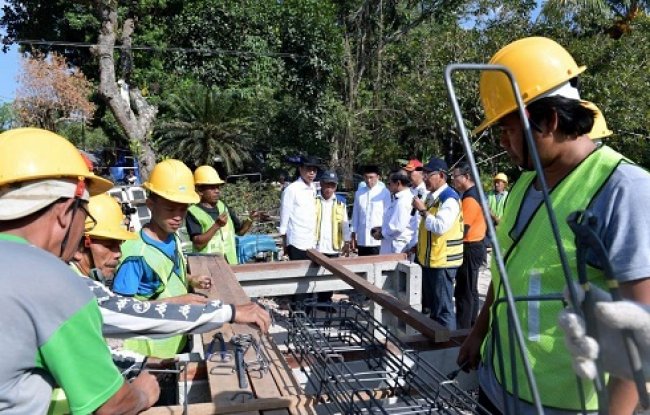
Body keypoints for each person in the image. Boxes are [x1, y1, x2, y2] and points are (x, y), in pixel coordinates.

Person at [456, 36, 650, 414]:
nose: (505, 144)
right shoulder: (527, 182)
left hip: (563, 402)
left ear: (549, 120)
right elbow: (509, 270)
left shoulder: (625, 191)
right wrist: (478, 333)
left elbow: (640, 328)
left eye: (509, 130)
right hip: (499, 380)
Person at [0, 127, 159, 414]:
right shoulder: (48, 278)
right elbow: (110, 406)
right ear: (64, 212)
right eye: (84, 213)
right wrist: (142, 394)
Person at [112, 159, 214, 358]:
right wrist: (179, 301)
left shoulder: (173, 237)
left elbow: (168, 276)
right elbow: (122, 311)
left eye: (183, 209)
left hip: (177, 341)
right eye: (170, 209)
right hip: (152, 356)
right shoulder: (136, 255)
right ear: (150, 205)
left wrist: (191, 280)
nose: (178, 217)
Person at [412, 157, 464, 329]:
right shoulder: (431, 197)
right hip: (430, 260)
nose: (424, 178)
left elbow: (440, 227)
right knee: (434, 309)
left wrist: (423, 211)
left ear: (441, 176)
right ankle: (436, 345)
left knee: (444, 310)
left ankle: (449, 349)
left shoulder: (449, 199)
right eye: (423, 174)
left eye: (428, 174)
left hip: (443, 262)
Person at [186, 165, 257, 264]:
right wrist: (217, 225)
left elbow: (240, 232)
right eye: (212, 188)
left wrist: (250, 219)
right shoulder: (193, 212)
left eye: (218, 187)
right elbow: (198, 244)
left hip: (230, 264)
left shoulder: (223, 207)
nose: (217, 191)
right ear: (200, 191)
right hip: (208, 267)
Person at [451, 163, 487, 329]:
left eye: (455, 176)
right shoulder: (477, 194)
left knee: (464, 291)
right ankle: (471, 324)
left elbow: (464, 228)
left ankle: (463, 327)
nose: (453, 180)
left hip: (470, 246)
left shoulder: (470, 198)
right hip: (476, 246)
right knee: (471, 289)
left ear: (466, 177)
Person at [279, 156, 319, 260]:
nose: (311, 173)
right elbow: (284, 218)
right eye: (308, 169)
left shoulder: (313, 188)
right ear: (300, 169)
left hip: (311, 242)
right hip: (296, 241)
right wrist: (284, 243)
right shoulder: (292, 189)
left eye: (314, 170)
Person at [375, 170, 418, 254]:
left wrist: (380, 233)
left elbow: (397, 227)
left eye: (389, 183)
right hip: (392, 244)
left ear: (398, 183)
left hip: (398, 247)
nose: (388, 186)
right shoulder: (399, 198)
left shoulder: (403, 201)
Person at [351, 165, 391, 256]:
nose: (368, 180)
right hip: (362, 238)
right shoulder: (359, 193)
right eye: (366, 177)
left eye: (371, 177)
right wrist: (353, 234)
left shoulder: (384, 192)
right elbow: (355, 215)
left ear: (378, 177)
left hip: (378, 239)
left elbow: (387, 214)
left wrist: (385, 233)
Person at [315, 170, 351, 258]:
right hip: (316, 248)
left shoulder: (341, 202)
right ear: (321, 184)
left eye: (332, 185)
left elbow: (344, 223)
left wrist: (347, 241)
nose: (329, 188)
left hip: (333, 248)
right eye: (327, 184)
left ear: (335, 187)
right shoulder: (313, 199)